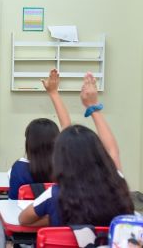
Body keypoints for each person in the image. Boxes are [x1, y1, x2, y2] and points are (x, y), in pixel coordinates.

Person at [18, 72, 134, 227]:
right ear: (99, 153)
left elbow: (23, 220)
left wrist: (51, 218)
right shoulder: (117, 187)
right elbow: (113, 150)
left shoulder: (55, 195)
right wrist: (93, 107)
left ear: (60, 159)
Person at [0, 69, 70, 248]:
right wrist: (54, 93)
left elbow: (12, 206)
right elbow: (68, 128)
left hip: (27, 226)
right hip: (59, 229)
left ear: (29, 143)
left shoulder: (18, 169)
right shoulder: (65, 164)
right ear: (57, 140)